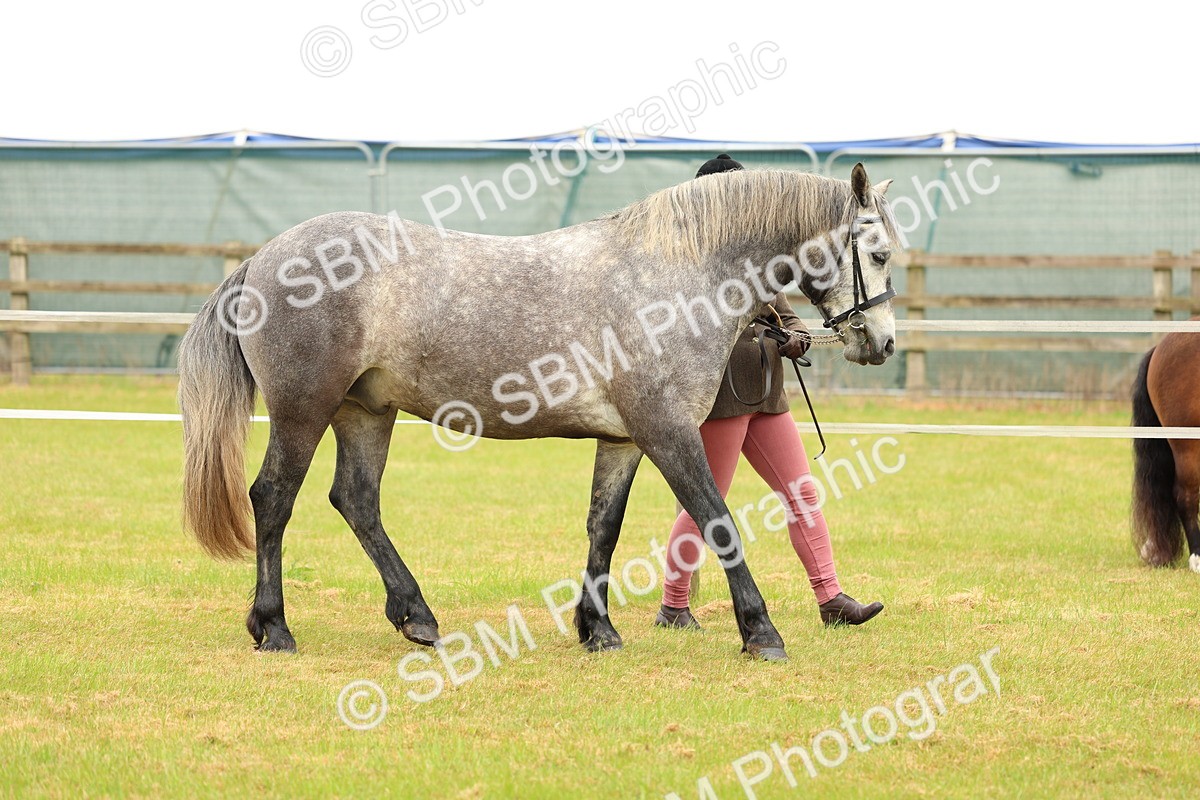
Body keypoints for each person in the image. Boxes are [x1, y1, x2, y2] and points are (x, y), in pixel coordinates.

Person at [655, 154, 884, 630]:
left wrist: (795, 335)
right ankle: (674, 604)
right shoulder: (693, 263)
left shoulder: (756, 258)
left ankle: (830, 597)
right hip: (723, 395)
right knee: (706, 501)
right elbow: (701, 335)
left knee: (802, 494)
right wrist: (763, 338)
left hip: (766, 393)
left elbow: (785, 310)